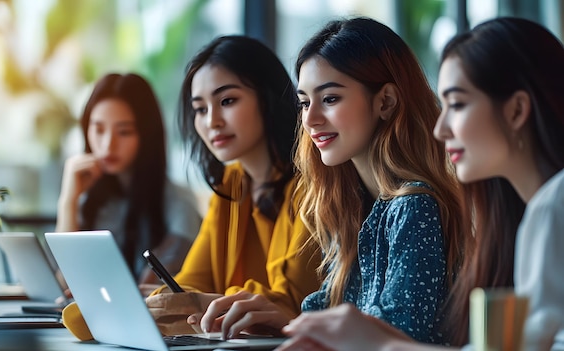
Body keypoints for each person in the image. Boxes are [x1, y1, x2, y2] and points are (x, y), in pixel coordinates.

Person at [275, 17, 564, 351]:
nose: (441, 128)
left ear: (516, 111)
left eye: (456, 104)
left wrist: (382, 344)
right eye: (304, 103)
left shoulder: (550, 208)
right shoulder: (522, 217)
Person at [198, 17, 468, 345]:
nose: (310, 120)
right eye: (304, 102)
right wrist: (284, 323)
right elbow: (328, 313)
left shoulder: (414, 206)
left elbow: (399, 335)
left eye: (329, 99)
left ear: (386, 101)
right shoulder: (350, 205)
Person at [142, 34, 322, 336]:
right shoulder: (232, 185)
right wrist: (170, 301)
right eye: (200, 109)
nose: (212, 121)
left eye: (227, 101)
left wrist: (198, 303)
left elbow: (293, 302)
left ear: (268, 98)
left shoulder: (314, 184)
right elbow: (194, 281)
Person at [55, 73, 202, 285]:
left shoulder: (178, 203)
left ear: (146, 135)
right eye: (98, 129)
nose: (108, 145)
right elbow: (64, 282)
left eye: (124, 132)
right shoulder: (91, 196)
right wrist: (68, 201)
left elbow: (155, 287)